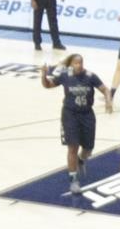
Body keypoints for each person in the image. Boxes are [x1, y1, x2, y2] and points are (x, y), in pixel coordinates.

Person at [42, 52, 110, 198]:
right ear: (71, 64)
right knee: (73, 147)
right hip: (70, 115)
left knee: (88, 148)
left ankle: (80, 160)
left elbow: (105, 89)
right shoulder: (65, 76)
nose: (79, 65)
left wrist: (108, 101)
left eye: (81, 63)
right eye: (76, 63)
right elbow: (47, 85)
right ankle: (73, 179)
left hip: (87, 114)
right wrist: (43, 75)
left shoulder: (90, 76)